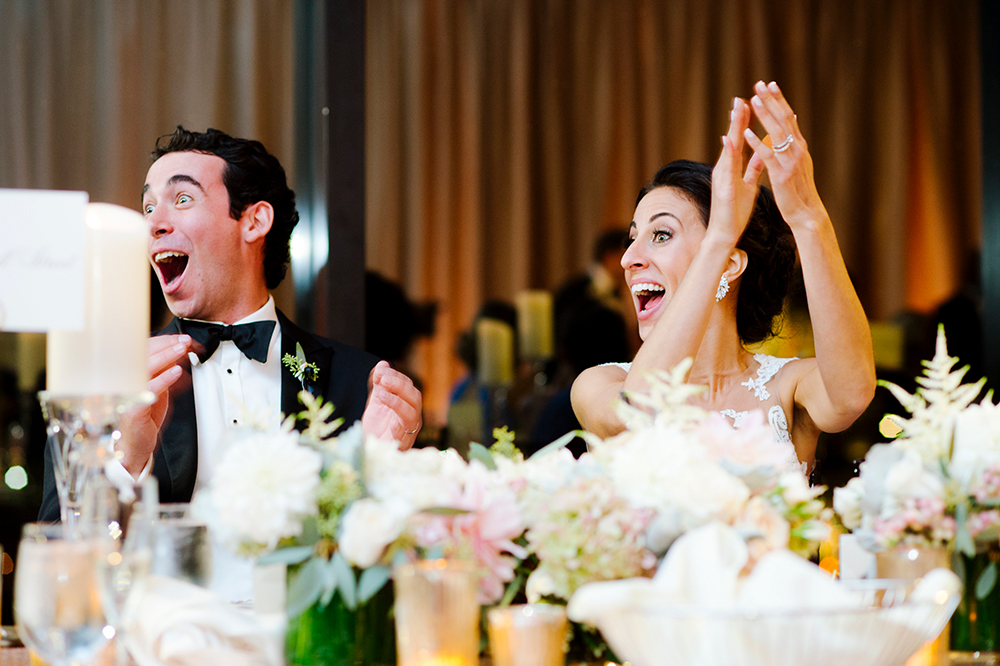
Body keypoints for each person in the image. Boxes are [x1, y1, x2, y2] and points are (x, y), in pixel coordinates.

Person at [40, 127, 423, 524]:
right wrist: (127, 459)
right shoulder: (111, 383)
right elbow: (57, 548)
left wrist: (381, 472)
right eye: (149, 207)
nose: (154, 224)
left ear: (254, 221)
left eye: (182, 198)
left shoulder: (357, 381)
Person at [571, 81, 876, 469]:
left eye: (660, 234)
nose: (629, 258)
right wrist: (717, 240)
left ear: (730, 264)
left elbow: (850, 396)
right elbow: (638, 415)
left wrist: (809, 218)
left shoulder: (788, 387)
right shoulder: (598, 385)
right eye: (633, 238)